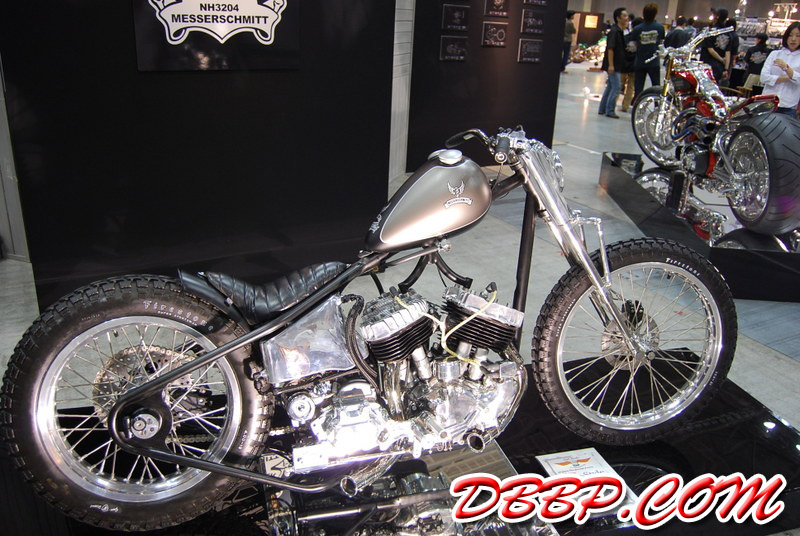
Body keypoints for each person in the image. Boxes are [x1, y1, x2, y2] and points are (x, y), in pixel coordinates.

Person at [760, 22, 800, 118]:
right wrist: (790, 76)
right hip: (768, 102)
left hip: (788, 106)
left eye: (798, 36)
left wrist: (786, 67)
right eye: (790, 35)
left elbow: (799, 80)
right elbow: (763, 78)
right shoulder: (775, 54)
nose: (793, 39)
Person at [628, 3, 665, 99]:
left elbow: (633, 44)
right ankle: (657, 105)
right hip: (654, 61)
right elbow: (661, 42)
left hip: (640, 61)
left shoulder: (637, 29)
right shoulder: (660, 28)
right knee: (656, 87)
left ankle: (637, 104)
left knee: (638, 88)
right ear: (655, 14)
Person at [599, 7, 630, 118]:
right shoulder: (615, 31)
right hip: (613, 64)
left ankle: (602, 109)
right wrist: (611, 65)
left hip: (616, 63)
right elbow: (610, 49)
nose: (627, 18)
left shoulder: (619, 31)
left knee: (610, 87)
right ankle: (610, 110)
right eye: (624, 16)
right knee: (616, 87)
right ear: (618, 18)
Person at [700, 8, 731, 83]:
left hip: (708, 65)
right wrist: (726, 69)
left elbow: (711, 50)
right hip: (720, 67)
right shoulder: (728, 33)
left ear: (716, 17)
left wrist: (721, 60)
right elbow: (728, 53)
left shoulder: (710, 32)